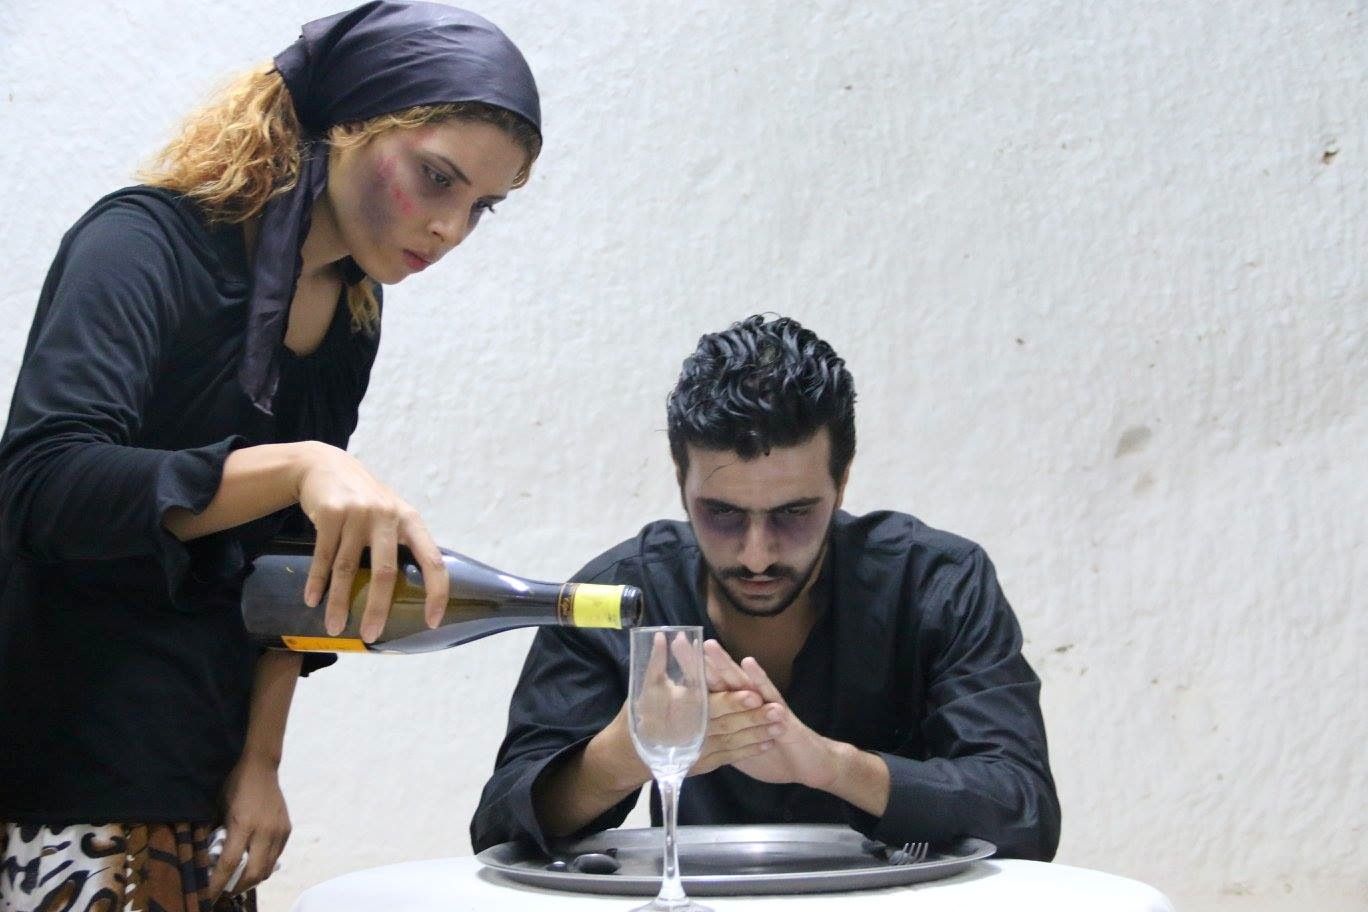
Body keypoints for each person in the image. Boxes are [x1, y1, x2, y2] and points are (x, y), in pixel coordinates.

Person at [0, 3, 541, 909]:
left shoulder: (352, 313)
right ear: (348, 124)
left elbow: (288, 562)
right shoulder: (141, 243)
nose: (452, 228)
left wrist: (261, 760)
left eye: (481, 206)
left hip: (205, 771)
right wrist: (298, 465)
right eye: (436, 178)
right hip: (63, 758)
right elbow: (43, 486)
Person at [471, 315, 1061, 861]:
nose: (757, 554)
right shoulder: (617, 597)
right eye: (722, 514)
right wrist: (622, 756)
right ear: (681, 482)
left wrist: (832, 767)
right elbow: (497, 832)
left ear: (842, 482)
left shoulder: (936, 583)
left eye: (794, 513)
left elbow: (1025, 814)